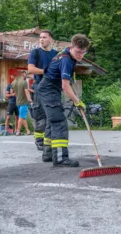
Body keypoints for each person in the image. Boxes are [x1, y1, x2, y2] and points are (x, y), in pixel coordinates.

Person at [37, 34, 89, 167]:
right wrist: (77, 102)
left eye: (83, 53)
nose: (80, 55)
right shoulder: (66, 60)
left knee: (52, 120)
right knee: (59, 121)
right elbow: (65, 86)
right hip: (48, 89)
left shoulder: (66, 54)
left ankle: (48, 154)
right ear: (72, 47)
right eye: (78, 52)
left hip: (49, 89)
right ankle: (60, 158)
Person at [27, 30, 58, 159]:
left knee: (52, 115)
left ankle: (50, 142)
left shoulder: (56, 54)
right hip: (39, 87)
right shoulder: (35, 52)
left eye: (44, 37)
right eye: (40, 37)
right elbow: (31, 69)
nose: (41, 39)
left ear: (51, 39)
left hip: (54, 88)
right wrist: (46, 72)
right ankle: (39, 141)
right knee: (40, 116)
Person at [11, 70, 31, 136]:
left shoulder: (13, 83)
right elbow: (26, 92)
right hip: (24, 102)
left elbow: (11, 93)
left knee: (22, 117)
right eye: (25, 73)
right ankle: (18, 131)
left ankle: (28, 131)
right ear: (22, 74)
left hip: (18, 102)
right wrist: (30, 100)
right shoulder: (24, 82)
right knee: (21, 118)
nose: (26, 74)